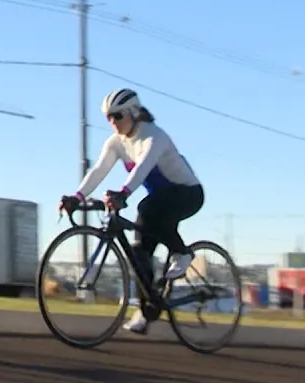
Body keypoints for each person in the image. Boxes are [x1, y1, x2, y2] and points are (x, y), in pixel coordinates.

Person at [58, 88, 204, 334]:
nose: (113, 122)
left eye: (117, 116)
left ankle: (183, 253)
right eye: (108, 117)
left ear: (133, 113)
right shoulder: (116, 143)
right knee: (138, 254)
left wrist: (124, 193)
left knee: (147, 209)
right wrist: (77, 196)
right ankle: (148, 311)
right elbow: (99, 170)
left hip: (188, 194)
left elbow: (143, 167)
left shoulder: (153, 136)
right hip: (161, 199)